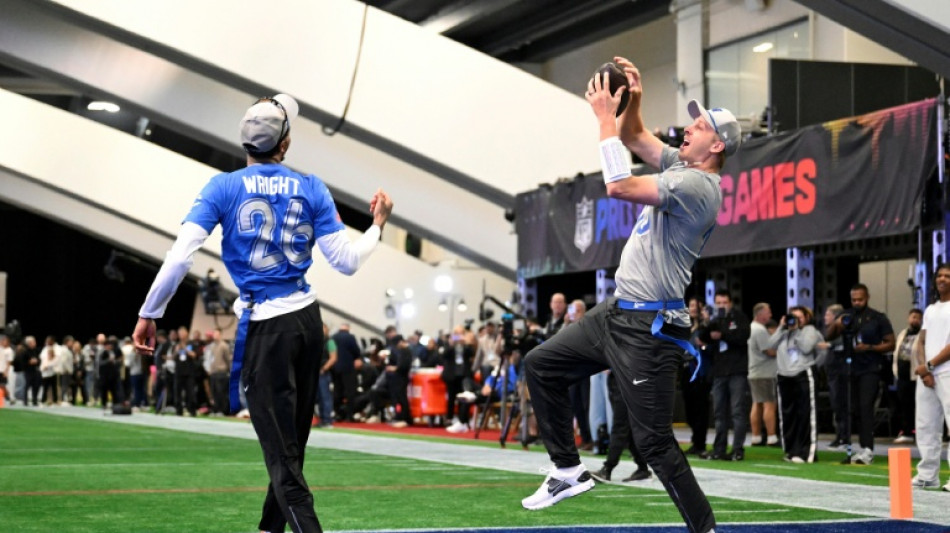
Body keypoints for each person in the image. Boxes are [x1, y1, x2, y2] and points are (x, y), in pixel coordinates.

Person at [132, 93, 393, 533]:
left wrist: (149, 311)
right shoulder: (311, 186)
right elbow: (346, 261)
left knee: (281, 453)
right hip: (309, 320)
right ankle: (269, 529)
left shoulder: (223, 187)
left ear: (243, 144)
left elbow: (180, 258)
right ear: (285, 144)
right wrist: (378, 225)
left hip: (267, 327)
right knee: (291, 445)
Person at [521, 56, 739, 533]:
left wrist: (603, 118)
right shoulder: (683, 163)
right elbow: (636, 138)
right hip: (618, 313)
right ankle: (566, 471)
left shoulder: (698, 185)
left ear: (716, 144)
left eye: (699, 125)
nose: (689, 126)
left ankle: (706, 529)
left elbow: (619, 184)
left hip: (649, 329)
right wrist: (633, 100)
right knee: (540, 365)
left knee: (655, 442)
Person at [826, 283, 895, 465]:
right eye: (854, 299)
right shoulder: (846, 315)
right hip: (849, 368)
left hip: (870, 368)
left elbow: (891, 343)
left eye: (860, 299)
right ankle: (854, 447)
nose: (857, 302)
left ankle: (868, 449)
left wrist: (870, 347)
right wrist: (837, 324)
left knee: (866, 408)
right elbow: (828, 336)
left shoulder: (877, 318)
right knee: (852, 409)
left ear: (867, 297)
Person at [911, 263, 950, 490]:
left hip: (945, 371)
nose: (942, 279)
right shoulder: (931, 309)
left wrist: (929, 365)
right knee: (926, 425)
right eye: (940, 275)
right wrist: (925, 369)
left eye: (948, 275)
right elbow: (922, 340)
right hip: (929, 375)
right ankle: (927, 475)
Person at [700, 290, 751, 461]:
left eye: (724, 302)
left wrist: (723, 335)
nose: (721, 306)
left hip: (737, 370)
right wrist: (707, 324)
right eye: (718, 303)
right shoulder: (715, 319)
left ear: (730, 303)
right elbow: (703, 338)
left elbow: (743, 337)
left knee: (737, 411)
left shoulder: (739, 317)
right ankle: (719, 448)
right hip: (720, 371)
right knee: (719, 413)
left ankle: (737, 449)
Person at [767, 306, 822, 463]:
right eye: (793, 317)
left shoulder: (810, 330)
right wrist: (781, 327)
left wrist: (796, 330)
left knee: (805, 414)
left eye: (800, 317)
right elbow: (770, 344)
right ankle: (792, 451)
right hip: (784, 376)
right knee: (787, 415)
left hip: (803, 374)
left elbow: (806, 348)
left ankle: (807, 453)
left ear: (806, 318)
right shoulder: (784, 331)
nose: (795, 320)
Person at [747, 302, 779, 447]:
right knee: (769, 404)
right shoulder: (759, 330)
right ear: (760, 314)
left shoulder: (752, 327)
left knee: (757, 404)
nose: (770, 315)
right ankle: (772, 437)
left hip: (755, 371)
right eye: (768, 312)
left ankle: (756, 436)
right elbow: (770, 351)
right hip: (765, 372)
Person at [892, 309, 923, 444]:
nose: (915, 320)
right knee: (904, 405)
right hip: (902, 375)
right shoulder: (903, 334)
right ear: (908, 318)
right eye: (913, 317)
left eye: (918, 318)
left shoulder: (923, 335)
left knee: (917, 405)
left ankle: (918, 431)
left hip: (916, 376)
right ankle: (906, 431)